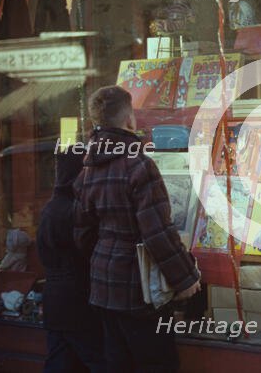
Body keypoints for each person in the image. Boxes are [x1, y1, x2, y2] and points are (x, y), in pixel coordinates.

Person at [73, 86, 201, 373]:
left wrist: (104, 260)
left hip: (103, 285)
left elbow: (82, 234)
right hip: (138, 289)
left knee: (117, 363)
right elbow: (157, 233)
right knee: (157, 363)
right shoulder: (139, 165)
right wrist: (185, 279)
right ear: (130, 120)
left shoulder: (88, 169)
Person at [37, 150, 106, 372]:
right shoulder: (74, 209)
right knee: (98, 361)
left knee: (59, 361)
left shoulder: (51, 208)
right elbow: (87, 251)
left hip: (56, 300)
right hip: (77, 299)